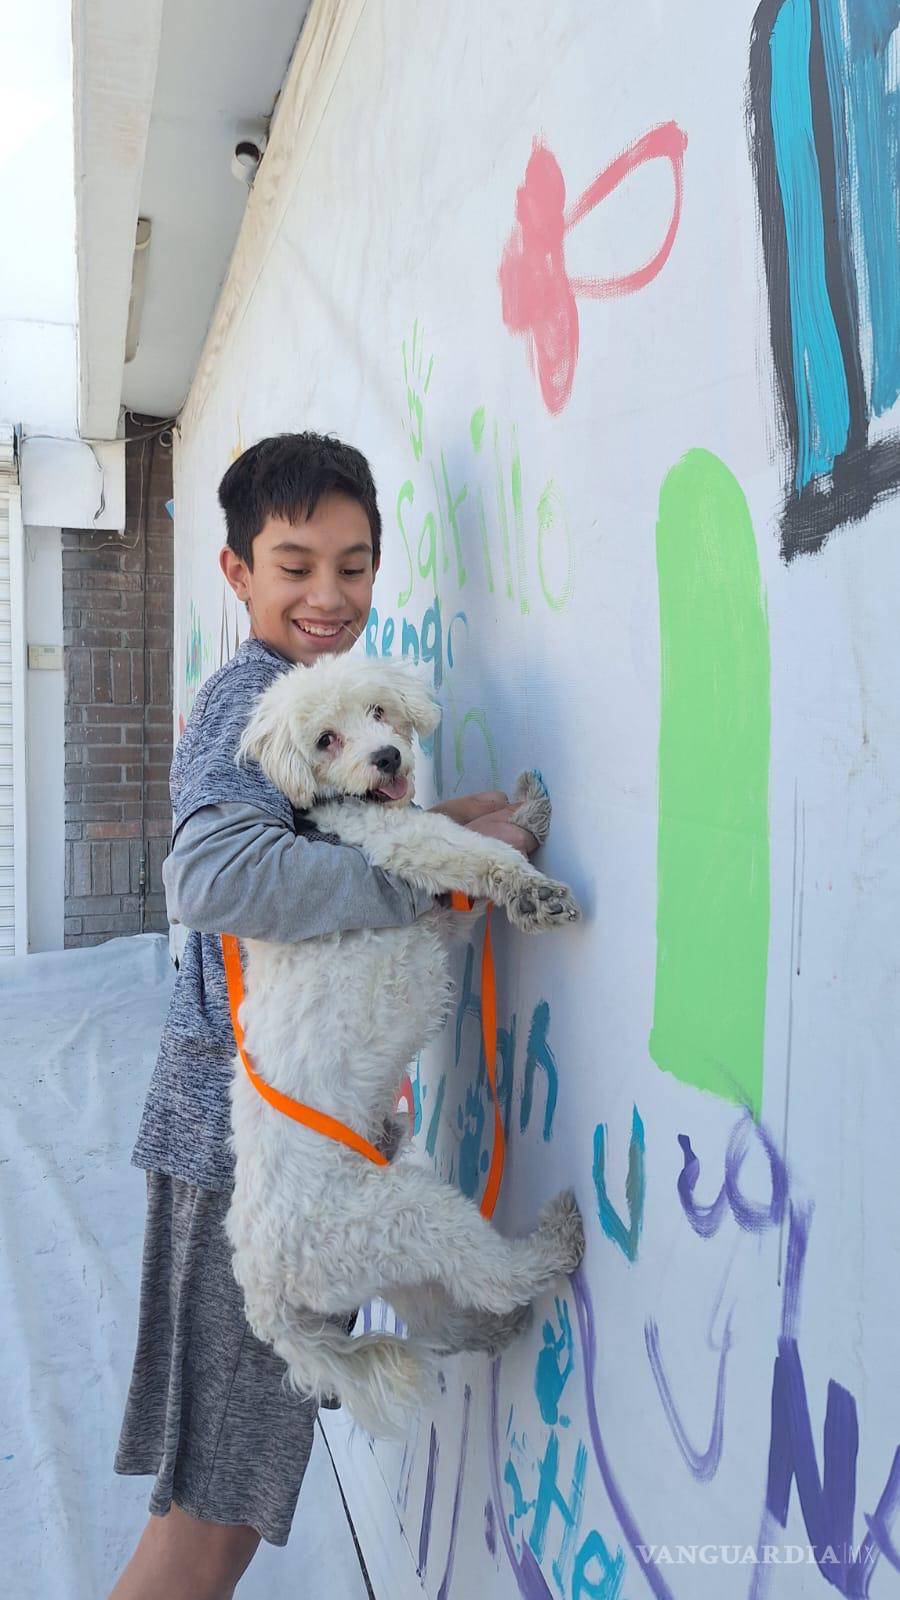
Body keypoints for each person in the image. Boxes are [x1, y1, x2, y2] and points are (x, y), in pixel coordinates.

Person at [108, 432, 539, 1600]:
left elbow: (310, 851)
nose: (328, 596)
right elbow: (211, 876)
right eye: (294, 565)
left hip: (264, 1130)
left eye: (353, 566)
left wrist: (431, 829)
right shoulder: (259, 703)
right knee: (212, 1519)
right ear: (236, 570)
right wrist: (427, 875)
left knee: (220, 1499)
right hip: (248, 1150)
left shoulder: (304, 698)